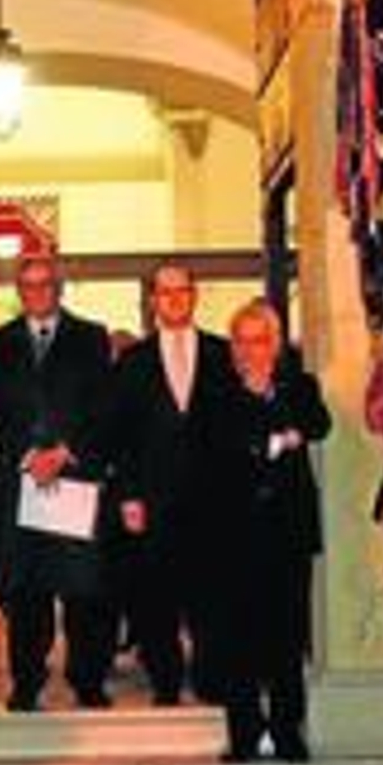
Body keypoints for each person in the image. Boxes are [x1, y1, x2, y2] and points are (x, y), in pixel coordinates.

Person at [0, 255, 115, 711]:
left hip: (74, 477)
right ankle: (26, 681)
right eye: (27, 286)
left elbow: (103, 408)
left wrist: (63, 452)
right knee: (27, 590)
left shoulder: (91, 337)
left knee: (83, 591)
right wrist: (28, 457)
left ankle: (89, 680)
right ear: (18, 291)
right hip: (24, 480)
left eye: (44, 284)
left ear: (60, 288)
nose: (36, 292)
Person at [208, 299, 330, 763]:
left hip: (287, 531)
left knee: (286, 635)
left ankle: (286, 731)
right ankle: (242, 733)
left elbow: (319, 423)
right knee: (237, 637)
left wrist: (276, 429)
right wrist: (274, 441)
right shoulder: (216, 390)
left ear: (274, 345)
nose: (248, 351)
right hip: (232, 532)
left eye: (257, 341)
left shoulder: (296, 385)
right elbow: (217, 445)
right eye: (240, 341)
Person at [111, 263, 234, 705]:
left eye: (182, 291)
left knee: (210, 597)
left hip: (212, 499)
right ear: (153, 301)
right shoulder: (132, 361)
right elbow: (120, 435)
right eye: (165, 293)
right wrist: (128, 495)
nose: (175, 299)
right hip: (153, 499)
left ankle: (211, 680)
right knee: (156, 599)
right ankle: (165, 682)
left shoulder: (224, 353)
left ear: (194, 295)